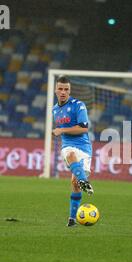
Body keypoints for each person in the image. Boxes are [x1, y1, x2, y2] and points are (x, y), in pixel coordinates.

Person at [52, 75, 94, 227]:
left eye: (66, 89)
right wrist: (61, 132)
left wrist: (61, 130)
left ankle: (72, 219)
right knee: (70, 154)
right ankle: (84, 181)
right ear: (56, 90)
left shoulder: (79, 105)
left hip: (84, 148)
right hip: (68, 146)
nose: (63, 92)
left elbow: (84, 128)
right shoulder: (55, 109)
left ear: (70, 91)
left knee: (74, 183)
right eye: (60, 89)